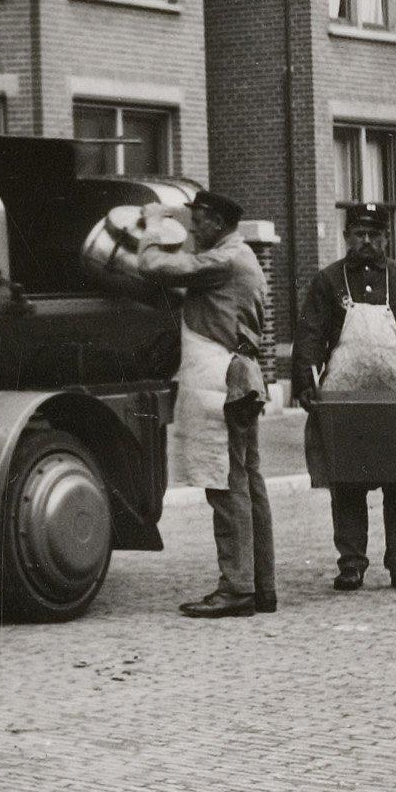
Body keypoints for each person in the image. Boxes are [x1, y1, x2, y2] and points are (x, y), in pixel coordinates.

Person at [115, 190, 275, 617]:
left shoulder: (223, 261)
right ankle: (260, 586)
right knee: (246, 482)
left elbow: (154, 267)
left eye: (199, 220)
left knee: (226, 486)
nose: (192, 227)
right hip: (238, 378)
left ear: (219, 223)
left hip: (217, 380)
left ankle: (237, 588)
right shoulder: (235, 255)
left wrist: (150, 226)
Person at [292, 203, 396, 593]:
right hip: (344, 397)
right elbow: (311, 335)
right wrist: (305, 380)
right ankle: (351, 563)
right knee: (347, 479)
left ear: (386, 238)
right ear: (347, 237)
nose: (367, 242)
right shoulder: (327, 281)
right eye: (359, 234)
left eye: (375, 235)